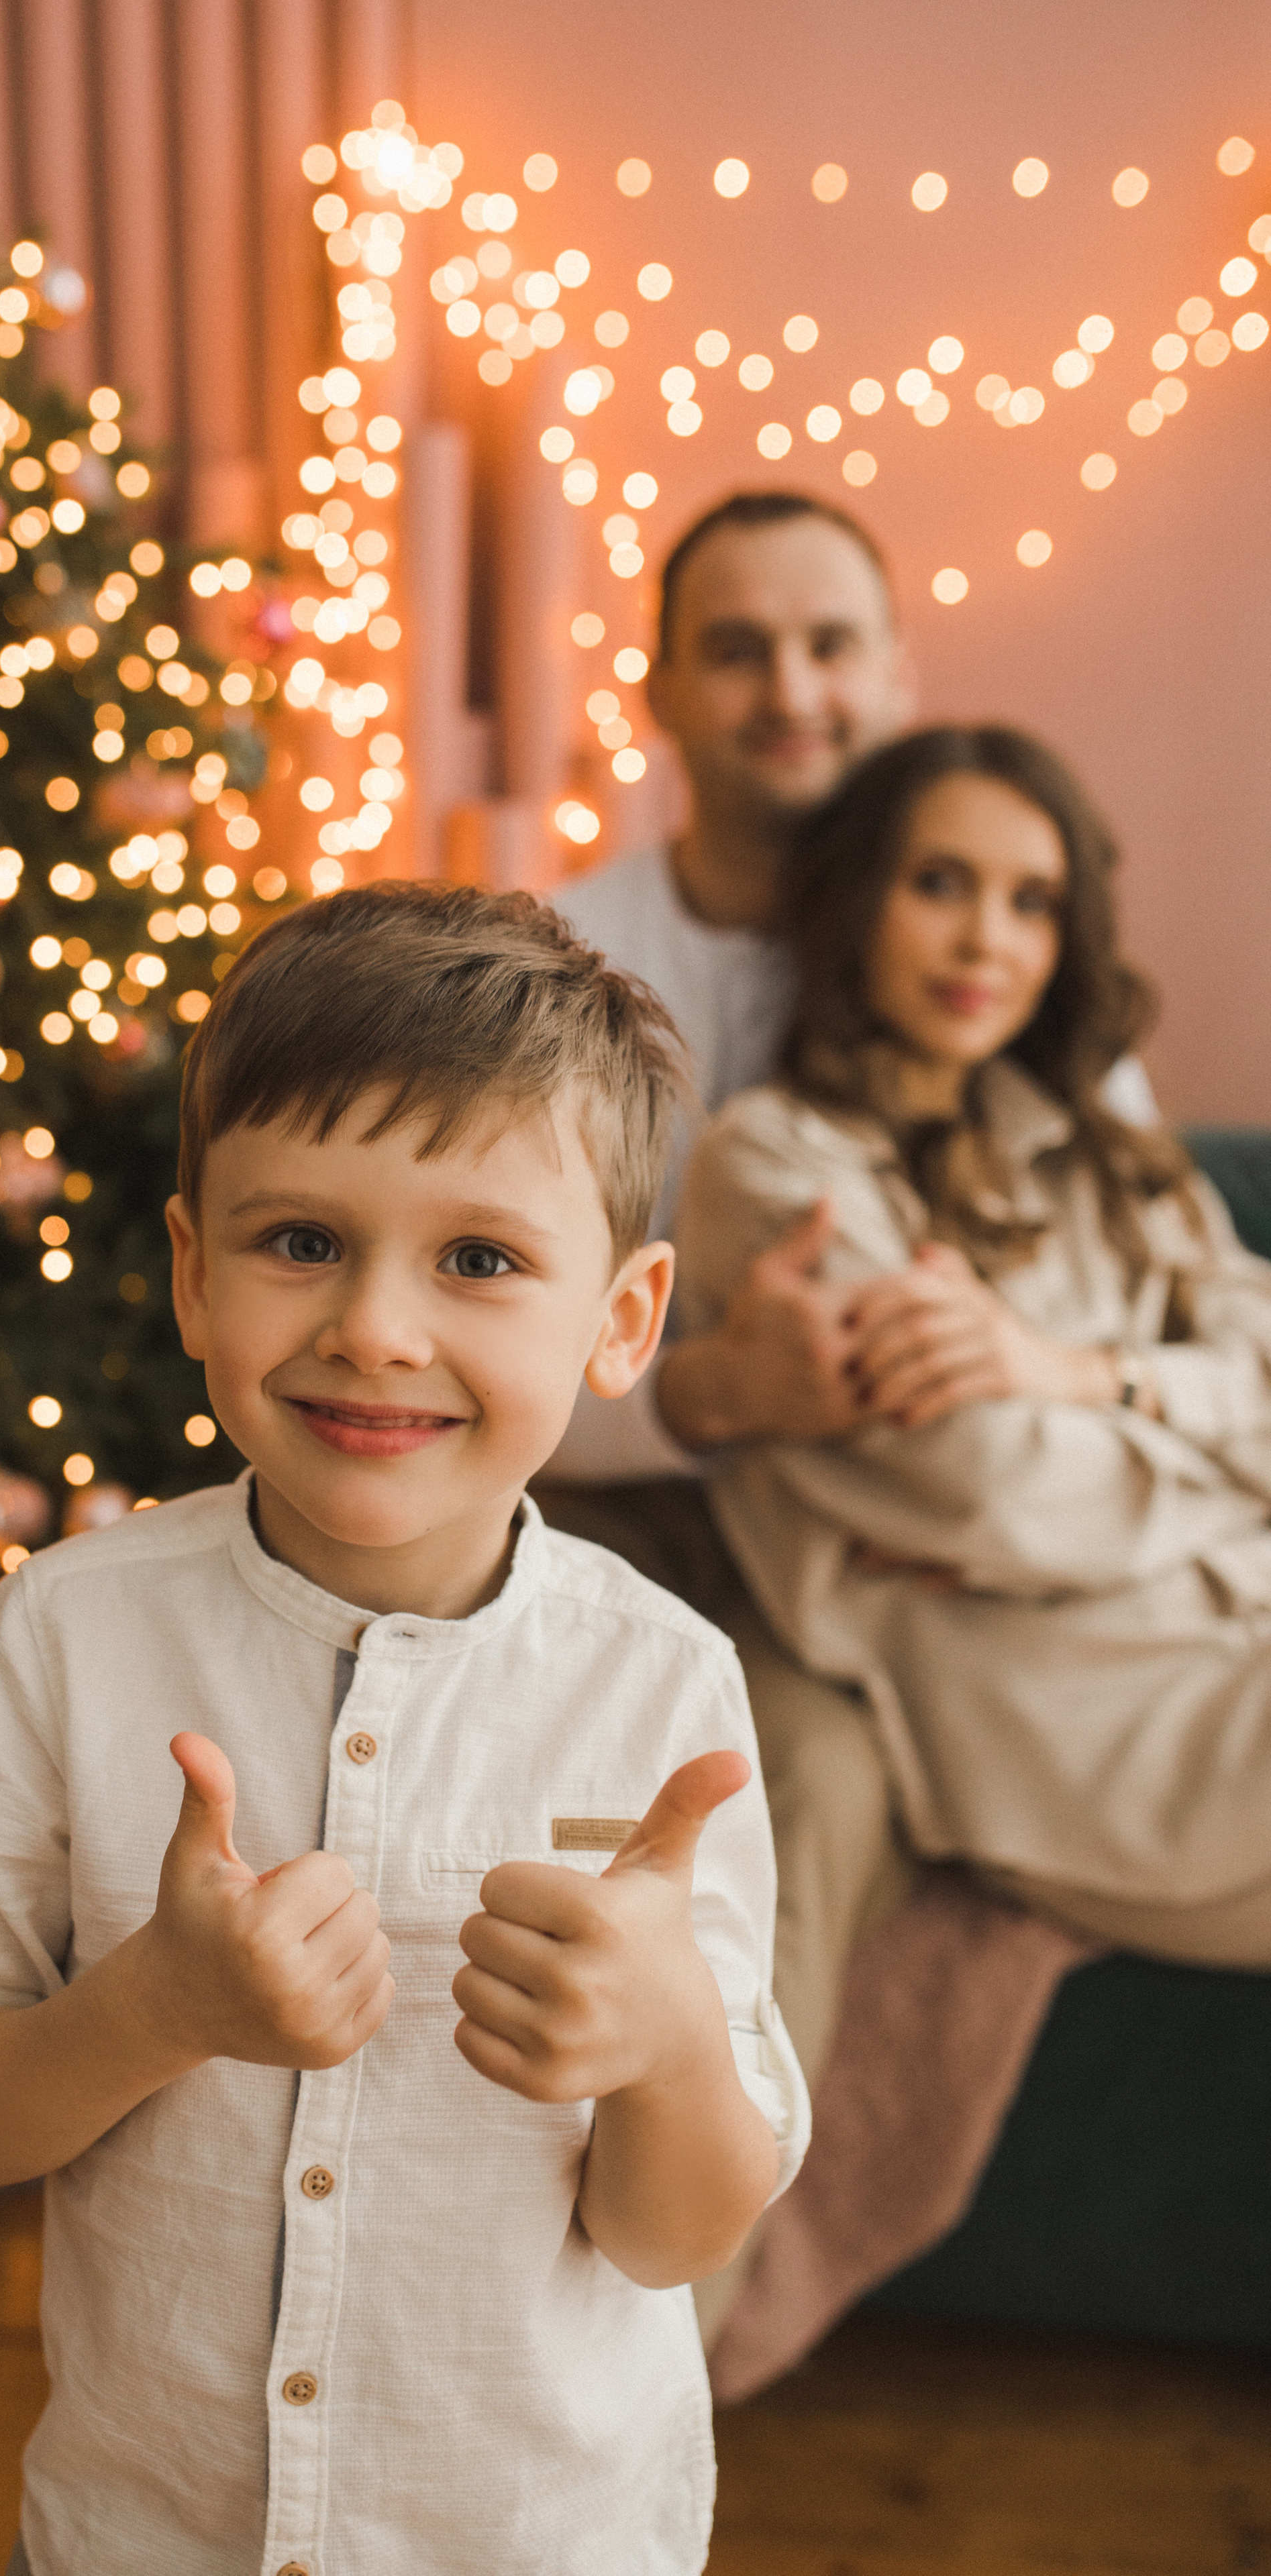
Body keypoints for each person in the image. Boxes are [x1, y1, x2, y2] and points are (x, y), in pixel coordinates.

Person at [0, 882, 810, 2576]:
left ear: (622, 1320)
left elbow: (677, 2234)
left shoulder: (662, 1693)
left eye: (481, 1260)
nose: (374, 1325)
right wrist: (150, 2010)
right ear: (195, 1274)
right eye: (301, 1242)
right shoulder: (68, 1638)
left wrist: (660, 2045)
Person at [542, 490, 1154, 2102]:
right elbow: (494, 1340)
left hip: (941, 1536)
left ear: (892, 675)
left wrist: (1033, 1382)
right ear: (659, 689)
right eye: (736, 652)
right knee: (760, 1771)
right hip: (652, 1519)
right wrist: (715, 1393)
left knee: (860, 1760)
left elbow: (1145, 1289)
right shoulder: (561, 965)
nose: (789, 692)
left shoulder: (998, 951)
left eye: (827, 647)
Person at [678, 725, 1271, 1966]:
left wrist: (1086, 1377)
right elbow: (992, 1487)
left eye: (1032, 903)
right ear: (856, 899)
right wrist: (1227, 1470)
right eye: (938, 884)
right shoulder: (780, 1166)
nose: (985, 942)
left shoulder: (1106, 1151)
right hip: (1091, 1717)